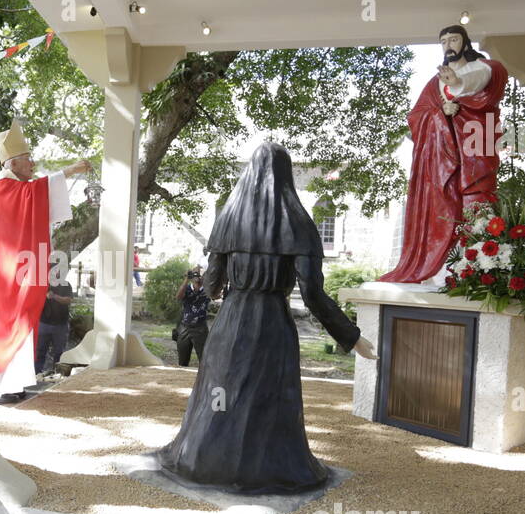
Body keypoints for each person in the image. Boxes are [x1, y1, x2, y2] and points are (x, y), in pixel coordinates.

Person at [158, 142, 375, 493]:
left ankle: (206, 463)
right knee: (268, 401)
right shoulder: (300, 224)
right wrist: (351, 337)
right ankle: (265, 471)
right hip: (272, 324)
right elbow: (313, 296)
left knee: (220, 397)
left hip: (230, 324)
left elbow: (212, 287)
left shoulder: (227, 221)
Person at [381, 25, 509, 284]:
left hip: (475, 152)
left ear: (465, 42)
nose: (448, 45)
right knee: (444, 210)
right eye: (444, 41)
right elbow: (417, 115)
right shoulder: (435, 83)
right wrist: (440, 113)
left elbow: (482, 86)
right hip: (445, 158)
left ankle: (477, 268)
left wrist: (458, 85)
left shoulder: (483, 68)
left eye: (454, 39)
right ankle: (442, 269)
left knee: (477, 209)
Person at [0, 118, 90, 402]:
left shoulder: (15, 189)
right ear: (12, 164)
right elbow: (35, 192)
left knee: (23, 327)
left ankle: (13, 385)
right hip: (9, 276)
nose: (33, 164)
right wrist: (72, 169)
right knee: (9, 326)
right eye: (27, 159)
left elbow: (35, 193)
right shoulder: (3, 190)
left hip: (19, 272)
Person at [34, 263, 74, 378]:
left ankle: (57, 374)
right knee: (40, 350)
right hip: (44, 323)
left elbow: (68, 300)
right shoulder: (44, 284)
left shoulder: (66, 285)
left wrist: (54, 296)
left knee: (59, 352)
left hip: (60, 325)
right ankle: (37, 374)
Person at [174, 268, 210, 367]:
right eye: (196, 274)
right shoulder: (187, 288)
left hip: (200, 329)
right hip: (185, 328)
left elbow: (216, 295)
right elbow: (178, 296)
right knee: (182, 360)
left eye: (200, 275)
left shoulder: (207, 290)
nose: (198, 277)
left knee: (204, 359)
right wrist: (186, 279)